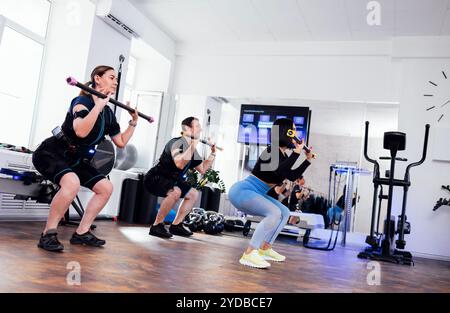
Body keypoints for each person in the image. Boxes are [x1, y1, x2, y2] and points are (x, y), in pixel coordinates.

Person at [32, 65, 139, 252]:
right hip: (52, 153)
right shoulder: (82, 101)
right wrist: (97, 105)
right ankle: (48, 234)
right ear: (97, 79)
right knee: (71, 183)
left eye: (116, 79)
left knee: (105, 188)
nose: (115, 82)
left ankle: (82, 232)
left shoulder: (108, 113)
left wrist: (133, 122)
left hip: (76, 159)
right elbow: (80, 131)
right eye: (112, 77)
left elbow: (121, 142)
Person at [228, 118, 314, 268]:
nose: (295, 136)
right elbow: (279, 171)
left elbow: (291, 176)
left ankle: (265, 248)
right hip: (243, 191)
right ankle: (249, 253)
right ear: (286, 132)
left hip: (258, 193)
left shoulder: (283, 155)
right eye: (293, 131)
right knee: (274, 212)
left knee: (285, 212)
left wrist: (306, 160)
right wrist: (296, 153)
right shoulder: (271, 150)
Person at [144, 117, 216, 238]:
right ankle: (156, 226)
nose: (201, 129)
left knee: (193, 194)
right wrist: (193, 146)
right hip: (155, 178)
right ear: (187, 128)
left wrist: (212, 154)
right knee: (175, 192)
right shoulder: (176, 143)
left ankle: (176, 225)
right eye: (197, 126)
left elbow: (202, 169)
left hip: (172, 180)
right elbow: (180, 163)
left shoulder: (192, 148)